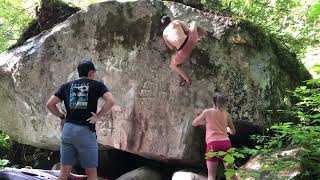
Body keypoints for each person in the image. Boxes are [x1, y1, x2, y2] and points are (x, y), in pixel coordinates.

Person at [46, 59, 115, 180]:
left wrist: (62, 117)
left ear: (79, 72)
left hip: (68, 130)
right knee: (91, 172)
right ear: (91, 72)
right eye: (93, 73)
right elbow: (110, 101)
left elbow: (50, 104)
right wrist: (98, 116)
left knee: (64, 171)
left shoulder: (66, 86)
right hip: (85, 131)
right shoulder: (97, 85)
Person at [192, 91, 236, 180]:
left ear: (213, 101)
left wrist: (205, 122)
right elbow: (233, 132)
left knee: (211, 175)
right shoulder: (227, 114)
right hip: (226, 143)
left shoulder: (207, 112)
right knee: (231, 174)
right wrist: (226, 129)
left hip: (212, 144)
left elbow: (194, 123)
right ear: (224, 102)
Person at [161, 16, 214, 86]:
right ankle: (207, 34)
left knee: (173, 65)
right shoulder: (176, 22)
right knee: (194, 23)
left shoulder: (164, 34)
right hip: (191, 41)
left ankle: (187, 80)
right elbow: (187, 31)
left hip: (183, 52)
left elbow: (171, 47)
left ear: (163, 26)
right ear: (170, 19)